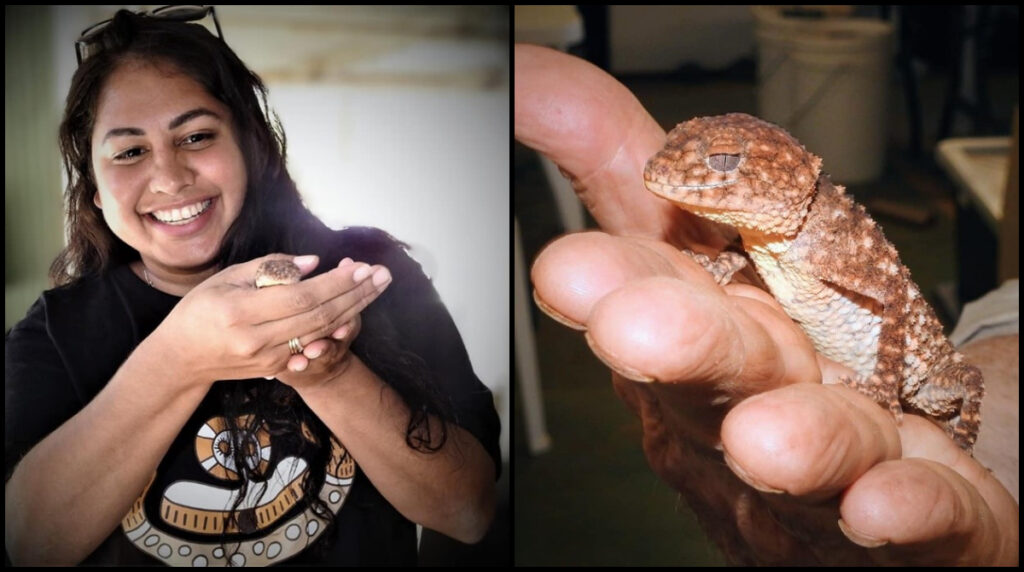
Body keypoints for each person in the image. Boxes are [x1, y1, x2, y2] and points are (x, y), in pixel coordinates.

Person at [4, 8, 500, 566]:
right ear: (95, 189)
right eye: (130, 152)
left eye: (196, 136)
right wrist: (178, 359)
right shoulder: (53, 332)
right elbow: (28, 545)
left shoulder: (363, 274)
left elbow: (470, 510)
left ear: (251, 147)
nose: (169, 178)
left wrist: (330, 374)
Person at [516, 43, 1017, 565]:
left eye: (726, 163)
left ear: (784, 180)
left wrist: (889, 395)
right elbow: (754, 254)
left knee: (963, 384)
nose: (693, 170)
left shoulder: (825, 240)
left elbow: (892, 304)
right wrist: (725, 264)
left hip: (917, 376)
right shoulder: (764, 237)